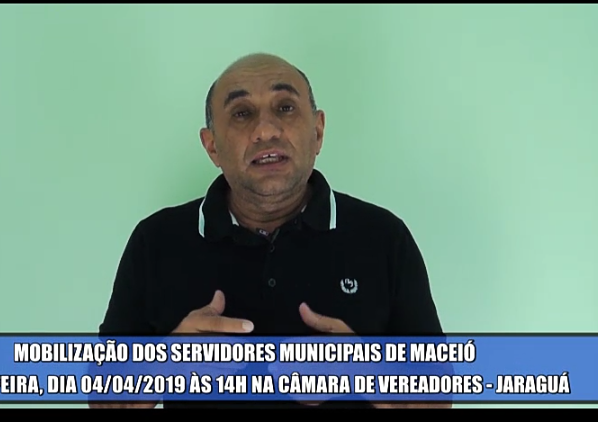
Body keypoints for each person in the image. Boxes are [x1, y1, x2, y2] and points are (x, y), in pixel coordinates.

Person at [91, 53, 450, 409]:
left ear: (318, 131)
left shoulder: (383, 238)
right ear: (212, 146)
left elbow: (438, 398)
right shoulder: (155, 241)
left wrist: (364, 370)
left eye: (285, 108)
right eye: (241, 113)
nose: (266, 130)